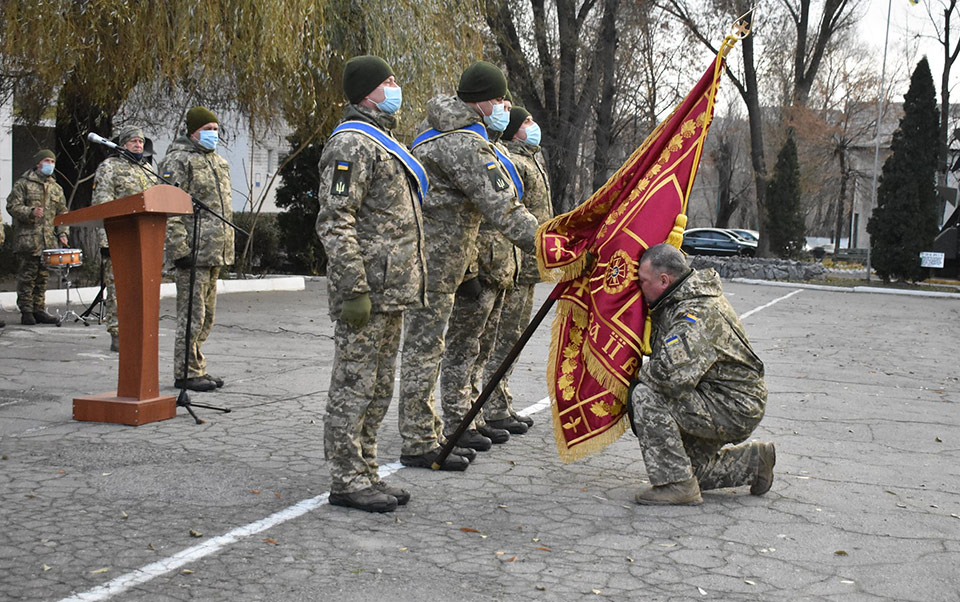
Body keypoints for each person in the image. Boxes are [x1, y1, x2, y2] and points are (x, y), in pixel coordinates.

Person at [398, 61, 540, 469]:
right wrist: (552, 247)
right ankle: (420, 441)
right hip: (436, 264)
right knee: (426, 352)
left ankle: (429, 432)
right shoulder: (464, 143)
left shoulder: (435, 135)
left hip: (440, 263)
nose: (504, 106)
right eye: (499, 99)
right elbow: (505, 211)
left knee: (429, 350)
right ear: (481, 100)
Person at [315, 55, 431, 513]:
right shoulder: (351, 145)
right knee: (353, 385)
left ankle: (366, 469)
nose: (396, 87)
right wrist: (353, 288)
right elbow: (335, 219)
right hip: (367, 291)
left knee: (380, 386)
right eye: (389, 81)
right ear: (367, 92)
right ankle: (346, 478)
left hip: (392, 290)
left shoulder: (384, 143)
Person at [629, 243, 775, 505]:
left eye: (643, 281)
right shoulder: (679, 299)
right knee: (688, 468)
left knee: (645, 395)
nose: (640, 288)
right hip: (719, 396)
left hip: (733, 405)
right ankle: (754, 462)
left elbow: (669, 376)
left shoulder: (695, 313)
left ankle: (677, 486)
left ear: (664, 280)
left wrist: (630, 368)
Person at [481, 107, 553, 432]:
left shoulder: (532, 159)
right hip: (514, 264)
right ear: (512, 131)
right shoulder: (513, 162)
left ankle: (500, 402)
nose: (532, 126)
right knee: (502, 340)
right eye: (525, 122)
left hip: (528, 268)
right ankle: (490, 406)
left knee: (513, 340)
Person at [161, 107, 233, 392]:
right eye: (208, 129)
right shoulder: (178, 161)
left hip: (215, 251)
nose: (213, 134)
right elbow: (169, 208)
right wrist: (179, 249)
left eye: (216, 129)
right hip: (192, 252)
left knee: (207, 316)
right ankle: (185, 372)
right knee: (192, 315)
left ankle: (197, 366)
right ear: (193, 131)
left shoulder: (218, 162)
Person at [91, 126, 158, 352]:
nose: (138, 145)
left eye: (140, 141)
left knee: (141, 290)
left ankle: (138, 331)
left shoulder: (148, 170)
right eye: (133, 142)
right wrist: (106, 241)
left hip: (145, 240)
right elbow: (102, 207)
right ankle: (118, 333)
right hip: (119, 240)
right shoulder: (110, 168)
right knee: (119, 290)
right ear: (123, 145)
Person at [6, 150, 69, 326]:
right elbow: (12, 206)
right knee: (27, 276)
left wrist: (63, 233)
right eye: (46, 160)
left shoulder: (56, 188)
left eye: (52, 161)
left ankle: (39, 309)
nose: (50, 164)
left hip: (47, 240)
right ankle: (26, 311)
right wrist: (30, 212)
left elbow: (62, 213)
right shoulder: (24, 184)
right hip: (28, 239)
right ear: (37, 163)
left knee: (42, 277)